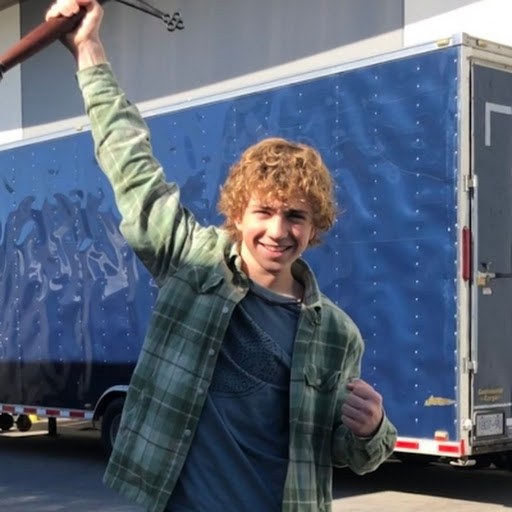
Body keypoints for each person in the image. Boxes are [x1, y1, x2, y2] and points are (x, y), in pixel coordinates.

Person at [46, 1, 397, 511]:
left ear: (315, 225)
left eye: (295, 216)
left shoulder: (338, 335)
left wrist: (371, 429)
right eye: (264, 211)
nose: (278, 231)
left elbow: (344, 453)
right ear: (237, 213)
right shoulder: (192, 264)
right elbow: (130, 163)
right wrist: (88, 50)